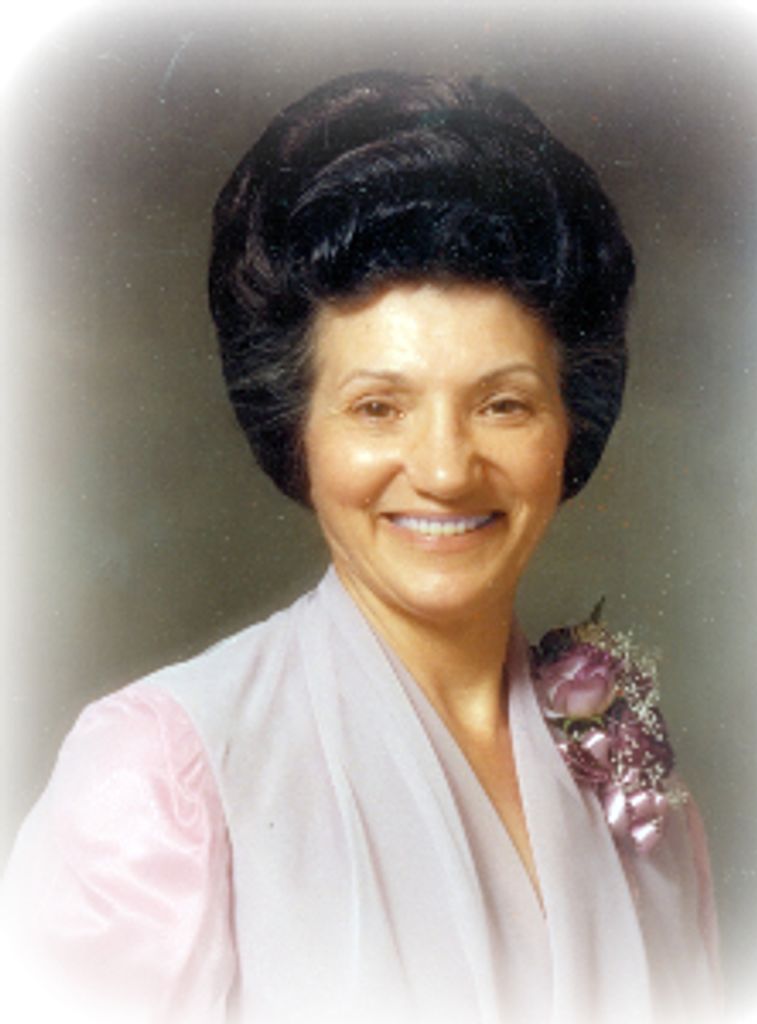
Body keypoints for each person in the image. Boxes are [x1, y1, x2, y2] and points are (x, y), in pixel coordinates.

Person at [1, 70, 720, 1023]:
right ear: (297, 430)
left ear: (568, 427)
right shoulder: (162, 774)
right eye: (378, 407)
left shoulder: (632, 773)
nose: (445, 470)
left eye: (503, 404)